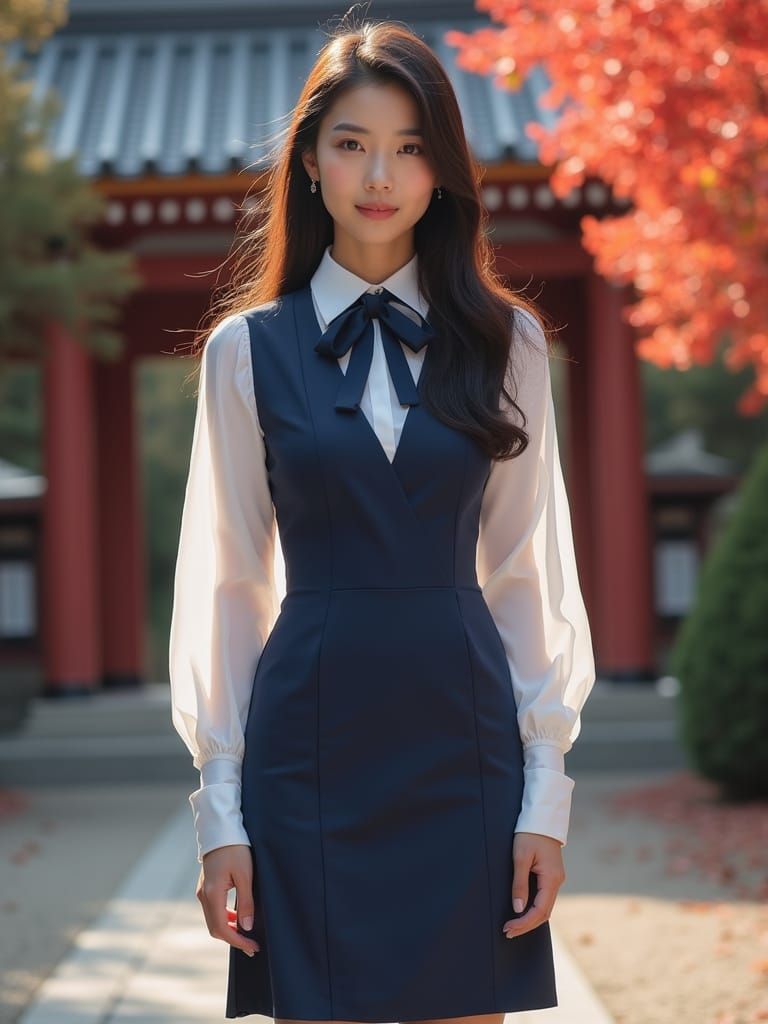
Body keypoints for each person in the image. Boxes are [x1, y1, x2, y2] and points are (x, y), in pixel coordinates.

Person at [168, 13, 597, 1024]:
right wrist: (219, 816)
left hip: (465, 740)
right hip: (309, 743)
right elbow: (227, 584)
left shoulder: (510, 344)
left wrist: (547, 799)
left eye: (410, 147)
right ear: (310, 159)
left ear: (443, 171)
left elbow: (528, 573)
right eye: (353, 142)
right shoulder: (244, 352)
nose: (380, 173)